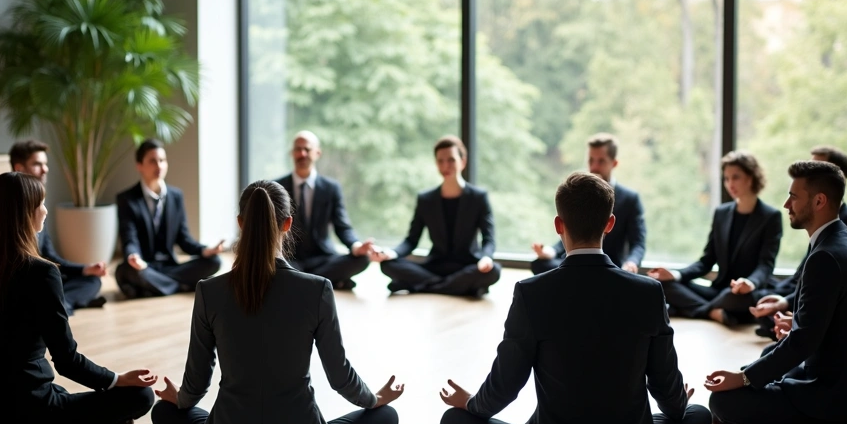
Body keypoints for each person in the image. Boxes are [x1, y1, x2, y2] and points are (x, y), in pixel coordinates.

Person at [438, 171, 711, 424]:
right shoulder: (649, 292)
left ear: (559, 225)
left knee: (454, 422)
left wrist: (470, 405)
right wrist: (679, 404)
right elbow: (667, 389)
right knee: (698, 416)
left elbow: (505, 386)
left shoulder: (531, 292)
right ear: (609, 224)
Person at [151, 180, 404, 424]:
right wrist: (373, 399)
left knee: (162, 413)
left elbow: (195, 385)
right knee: (386, 417)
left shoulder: (209, 291)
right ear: (288, 224)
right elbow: (340, 376)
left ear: (241, 223)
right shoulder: (317, 290)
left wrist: (178, 400)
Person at [0, 173, 157, 424]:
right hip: (29, 420)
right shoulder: (42, 273)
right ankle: (98, 419)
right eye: (41, 204)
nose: (45, 210)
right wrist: (117, 380)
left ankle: (93, 418)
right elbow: (67, 361)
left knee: (60, 393)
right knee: (141, 395)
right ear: (25, 213)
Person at [705, 161, 847, 424]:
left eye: (793, 196)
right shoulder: (844, 240)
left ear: (818, 201)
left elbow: (802, 344)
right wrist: (799, 322)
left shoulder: (825, 257)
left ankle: (743, 420)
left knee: (722, 400)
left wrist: (741, 379)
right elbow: (845, 318)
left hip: (844, 409)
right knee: (766, 358)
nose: (786, 204)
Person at [648, 151, 782, 326]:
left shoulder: (770, 216)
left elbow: (766, 265)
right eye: (726, 179)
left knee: (732, 297)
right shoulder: (721, 214)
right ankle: (714, 312)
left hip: (745, 293)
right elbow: (706, 261)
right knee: (662, 285)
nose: (730, 183)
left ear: (750, 178)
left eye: (735, 177)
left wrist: (750, 283)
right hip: (719, 292)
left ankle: (694, 309)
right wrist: (675, 274)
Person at [749, 145, 847, 337]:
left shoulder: (835, 240)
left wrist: (794, 317)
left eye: (793, 197)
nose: (786, 205)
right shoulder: (831, 232)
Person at [372, 135, 502, 297]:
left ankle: (419, 285)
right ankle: (461, 287)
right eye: (440, 161)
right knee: (387, 265)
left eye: (451, 160)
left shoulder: (478, 197)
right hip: (436, 265)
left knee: (494, 270)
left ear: (463, 161)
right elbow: (411, 240)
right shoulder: (426, 199)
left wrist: (486, 258)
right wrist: (391, 253)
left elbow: (488, 239)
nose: (445, 165)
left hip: (466, 265)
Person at [114, 139, 224, 298]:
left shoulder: (176, 196)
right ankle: (181, 285)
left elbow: (184, 239)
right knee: (125, 271)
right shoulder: (127, 199)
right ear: (139, 165)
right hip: (145, 267)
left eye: (162, 160)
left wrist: (205, 250)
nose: (159, 166)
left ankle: (154, 287)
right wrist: (133, 256)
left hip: (170, 267)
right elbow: (129, 238)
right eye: (152, 161)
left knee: (215, 261)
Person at [9, 139, 107, 314]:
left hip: (45, 278)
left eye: (45, 164)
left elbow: (52, 258)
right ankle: (65, 304)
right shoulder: (10, 207)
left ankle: (64, 303)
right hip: (25, 284)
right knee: (46, 287)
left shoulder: (39, 206)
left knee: (93, 280)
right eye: (37, 164)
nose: (45, 169)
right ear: (19, 168)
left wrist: (86, 268)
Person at [530, 133, 646, 274]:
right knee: (540, 264)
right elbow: (571, 232)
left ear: (614, 163)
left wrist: (631, 262)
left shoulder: (630, 199)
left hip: (609, 265)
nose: (594, 167)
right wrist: (551, 251)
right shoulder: (577, 192)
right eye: (591, 160)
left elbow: (638, 242)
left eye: (601, 161)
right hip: (575, 261)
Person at [273, 131, 374, 290]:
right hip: (290, 258)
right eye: (298, 149)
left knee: (362, 259)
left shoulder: (331, 188)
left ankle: (304, 281)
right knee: (273, 267)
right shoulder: (277, 187)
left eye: (307, 149)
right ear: (292, 153)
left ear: (318, 153)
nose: (302, 154)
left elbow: (342, 226)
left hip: (323, 258)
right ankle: (325, 282)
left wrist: (356, 247)